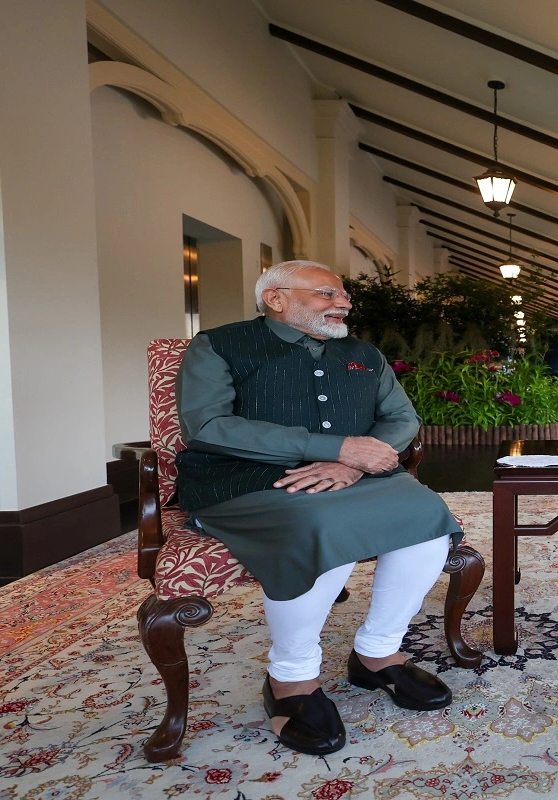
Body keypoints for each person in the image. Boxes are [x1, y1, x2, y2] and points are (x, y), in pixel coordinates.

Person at [175, 260, 463, 756]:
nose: (344, 302)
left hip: (352, 478)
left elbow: (401, 418)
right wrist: (333, 448)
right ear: (277, 299)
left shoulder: (361, 353)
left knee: (427, 516)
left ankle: (377, 654)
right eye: (327, 294)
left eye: (344, 295)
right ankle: (291, 678)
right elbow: (206, 426)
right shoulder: (218, 346)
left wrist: (352, 465)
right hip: (243, 480)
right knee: (320, 521)